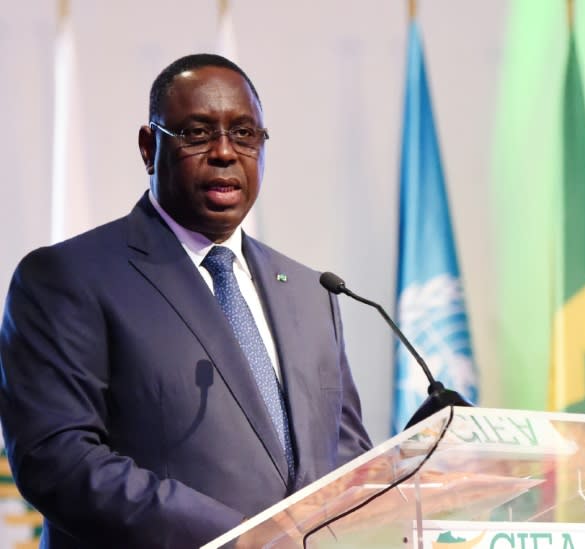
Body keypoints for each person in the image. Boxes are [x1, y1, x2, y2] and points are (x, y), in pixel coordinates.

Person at [0, 53, 372, 548]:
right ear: (149, 148)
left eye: (244, 134)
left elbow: (345, 456)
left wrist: (422, 481)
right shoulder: (68, 278)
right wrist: (240, 538)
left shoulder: (311, 291)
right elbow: (58, 459)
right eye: (198, 133)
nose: (224, 152)